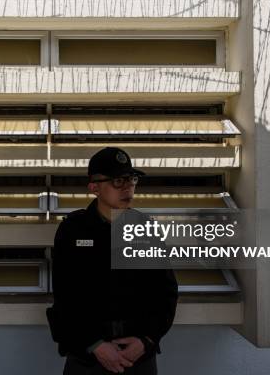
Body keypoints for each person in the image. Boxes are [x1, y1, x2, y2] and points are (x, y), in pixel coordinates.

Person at [47, 147, 179, 375]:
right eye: (118, 181)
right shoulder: (73, 230)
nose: (128, 187)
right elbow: (65, 296)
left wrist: (146, 340)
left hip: (137, 357)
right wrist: (95, 345)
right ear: (94, 187)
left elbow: (165, 294)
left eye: (132, 179)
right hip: (87, 357)